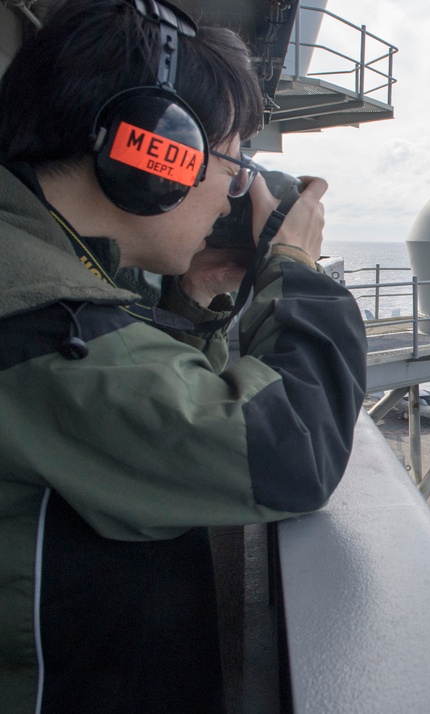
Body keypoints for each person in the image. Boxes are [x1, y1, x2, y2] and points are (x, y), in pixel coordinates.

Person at [0, 2, 368, 712]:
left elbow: (137, 409)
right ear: (147, 149)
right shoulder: (41, 331)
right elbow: (291, 452)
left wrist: (190, 308)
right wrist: (296, 270)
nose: (235, 194)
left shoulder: (41, 277)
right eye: (233, 166)